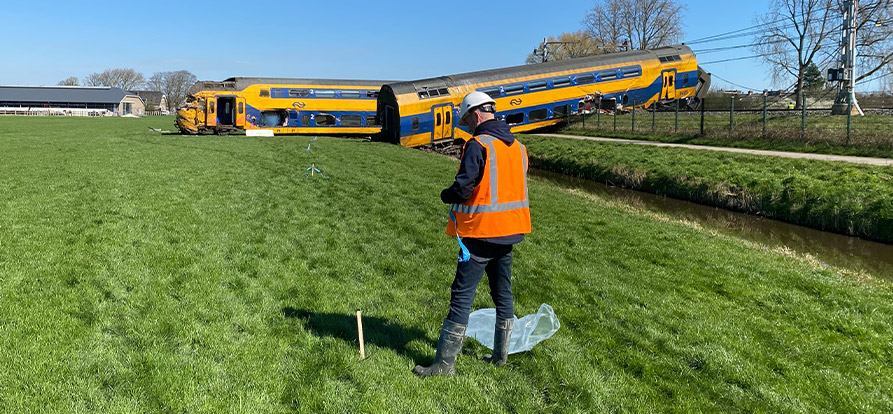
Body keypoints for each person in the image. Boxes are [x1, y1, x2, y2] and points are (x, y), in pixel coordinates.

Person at [413, 91, 531, 378]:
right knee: (503, 294)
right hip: (510, 232)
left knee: (462, 296)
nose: (467, 124)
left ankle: (444, 365)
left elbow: (464, 188)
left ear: (476, 114)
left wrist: (446, 194)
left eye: (466, 119)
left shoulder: (478, 145)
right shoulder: (519, 147)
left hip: (479, 234)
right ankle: (500, 357)